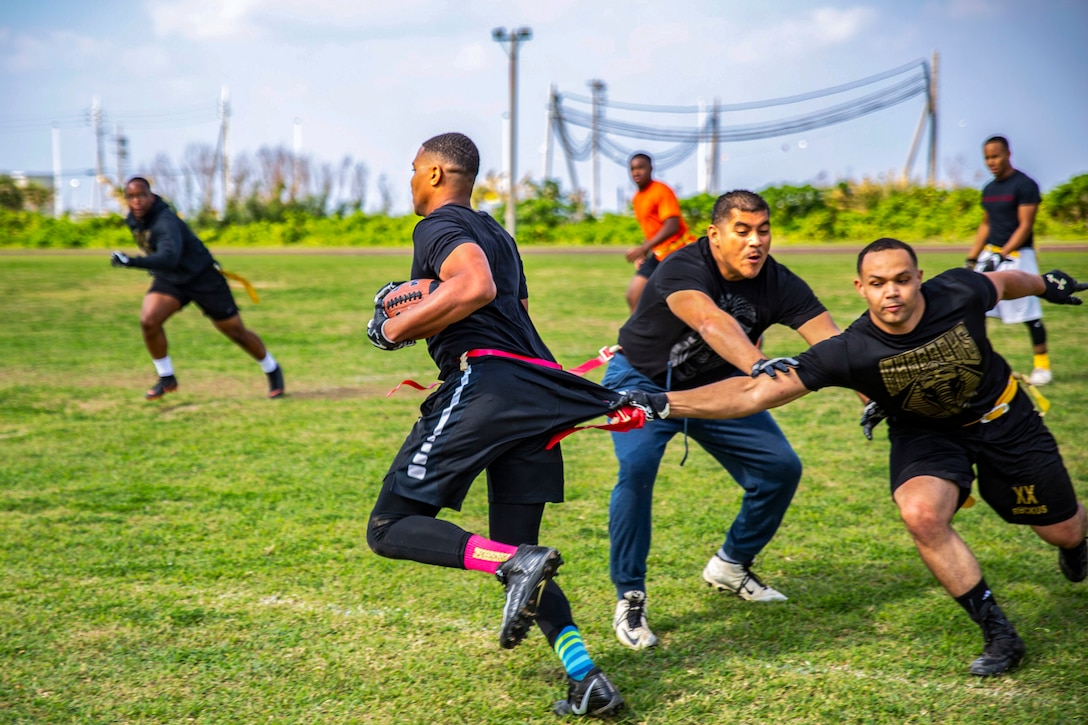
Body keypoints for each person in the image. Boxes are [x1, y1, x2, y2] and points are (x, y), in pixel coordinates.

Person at [616, 238, 1088, 676]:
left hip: (1005, 419)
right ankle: (998, 632)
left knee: (1062, 529)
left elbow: (1004, 281)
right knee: (921, 513)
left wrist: (1047, 284)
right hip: (926, 434)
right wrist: (663, 402)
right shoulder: (850, 350)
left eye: (902, 280)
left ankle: (1075, 545)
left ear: (919, 277)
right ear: (861, 288)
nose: (893, 294)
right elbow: (754, 393)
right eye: (879, 284)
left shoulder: (959, 290)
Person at [364, 132, 627, 718]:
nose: (409, 180)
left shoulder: (436, 224)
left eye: (412, 169)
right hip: (536, 391)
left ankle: (513, 565)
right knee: (514, 550)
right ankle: (587, 678)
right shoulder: (501, 237)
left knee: (391, 526)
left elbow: (474, 286)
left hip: (487, 387)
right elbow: (516, 312)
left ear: (434, 174)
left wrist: (394, 329)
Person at [602, 189, 844, 651]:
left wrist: (877, 393)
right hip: (642, 383)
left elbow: (833, 343)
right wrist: (755, 363)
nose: (756, 242)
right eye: (743, 231)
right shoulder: (682, 266)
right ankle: (629, 594)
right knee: (635, 472)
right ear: (714, 235)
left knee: (780, 469)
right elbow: (711, 321)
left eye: (763, 230)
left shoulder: (779, 283)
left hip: (717, 392)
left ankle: (731, 565)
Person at [110, 176, 284, 400]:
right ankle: (166, 377)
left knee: (237, 333)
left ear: (151, 196)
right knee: (149, 320)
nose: (137, 201)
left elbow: (169, 257)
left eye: (142, 195)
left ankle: (272, 369)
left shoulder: (165, 221)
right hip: (172, 279)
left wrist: (132, 261)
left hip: (203, 278)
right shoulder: (134, 220)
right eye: (131, 197)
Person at [966, 136, 1050, 385]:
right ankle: (980, 364)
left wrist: (1001, 255)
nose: (991, 162)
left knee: (1029, 313)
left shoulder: (1025, 185)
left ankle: (1042, 367)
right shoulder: (989, 189)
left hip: (1017, 257)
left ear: (1008, 154)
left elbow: (1025, 226)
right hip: (989, 256)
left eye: (996, 156)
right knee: (977, 308)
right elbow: (986, 224)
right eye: (987, 157)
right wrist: (973, 257)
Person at [623, 153, 692, 312]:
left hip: (678, 252)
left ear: (650, 168)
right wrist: (644, 253)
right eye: (633, 169)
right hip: (658, 254)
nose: (636, 172)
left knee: (676, 301)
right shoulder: (637, 198)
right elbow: (652, 230)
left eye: (641, 167)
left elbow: (671, 225)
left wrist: (644, 248)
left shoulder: (661, 190)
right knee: (634, 294)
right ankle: (639, 335)